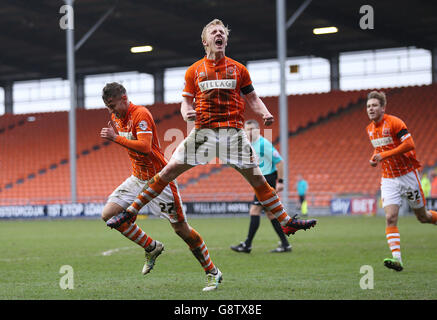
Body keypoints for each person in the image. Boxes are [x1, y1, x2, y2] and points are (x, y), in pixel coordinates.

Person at [106, 19, 317, 288]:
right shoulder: (194, 70)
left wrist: (264, 113)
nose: (219, 35)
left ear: (225, 41)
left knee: (259, 181)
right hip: (203, 132)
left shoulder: (239, 69)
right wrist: (187, 113)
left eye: (222, 33)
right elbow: (185, 101)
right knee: (168, 171)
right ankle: (131, 211)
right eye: (213, 33)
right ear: (205, 41)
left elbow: (252, 98)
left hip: (233, 134)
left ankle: (286, 222)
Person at [99, 82, 221, 292]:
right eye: (107, 106)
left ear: (124, 98)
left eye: (112, 105)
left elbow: (145, 147)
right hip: (137, 178)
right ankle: (151, 247)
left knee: (181, 230)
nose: (110, 110)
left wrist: (115, 138)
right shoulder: (116, 118)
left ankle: (212, 272)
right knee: (109, 214)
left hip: (159, 180)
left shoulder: (141, 114)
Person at [366, 90, 437, 272]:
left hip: (407, 175)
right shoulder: (369, 130)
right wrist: (374, 158)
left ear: (383, 108)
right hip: (388, 179)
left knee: (423, 217)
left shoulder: (395, 122)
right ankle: (397, 259)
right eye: (368, 106)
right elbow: (379, 150)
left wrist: (384, 155)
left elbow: (409, 144)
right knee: (390, 217)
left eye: (374, 105)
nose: (371, 109)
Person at [230, 119, 292, 253]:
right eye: (247, 129)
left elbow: (280, 162)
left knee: (254, 211)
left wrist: (280, 182)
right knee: (270, 214)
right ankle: (285, 244)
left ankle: (247, 245)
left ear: (258, 130)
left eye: (252, 129)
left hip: (267, 180)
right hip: (260, 180)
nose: (250, 131)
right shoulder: (249, 145)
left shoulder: (263, 144)